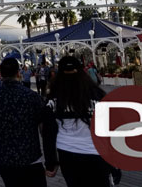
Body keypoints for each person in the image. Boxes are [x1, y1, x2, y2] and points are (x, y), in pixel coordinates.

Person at [0, 58, 48, 187]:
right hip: (31, 156)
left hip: (4, 159)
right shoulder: (32, 96)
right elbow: (44, 129)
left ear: (0, 74)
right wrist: (51, 158)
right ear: (18, 73)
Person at [42, 56, 114, 187]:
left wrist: (51, 162)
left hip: (68, 153)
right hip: (96, 153)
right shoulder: (97, 94)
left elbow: (48, 132)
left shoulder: (54, 99)